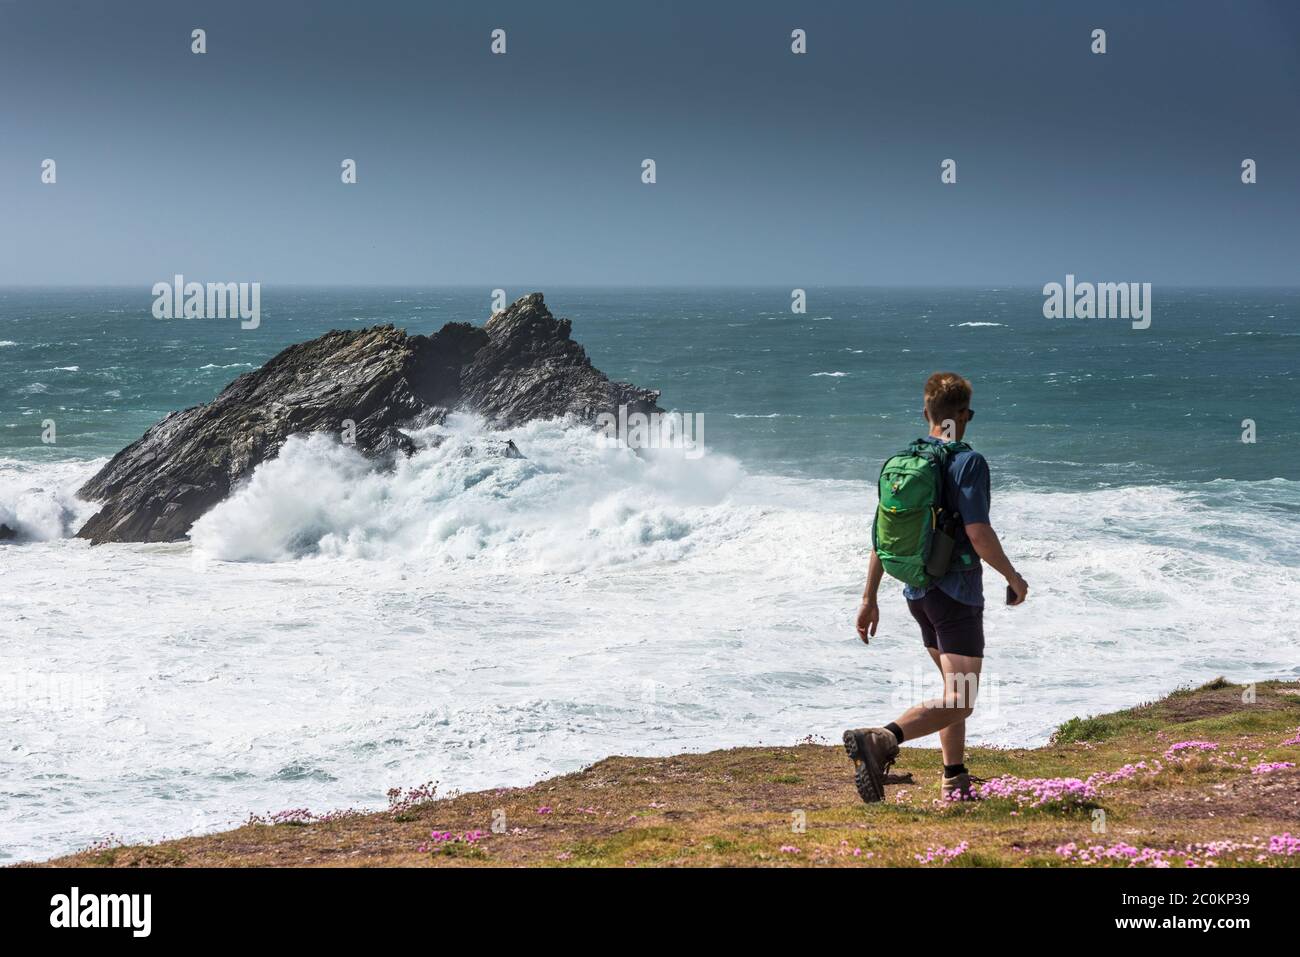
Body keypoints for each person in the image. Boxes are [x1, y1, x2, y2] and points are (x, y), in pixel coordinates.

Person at [843, 371, 1028, 803]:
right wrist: (1013, 578)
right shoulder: (967, 461)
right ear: (965, 415)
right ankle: (882, 739)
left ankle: (955, 778)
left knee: (951, 693)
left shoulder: (903, 463)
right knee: (962, 699)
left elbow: (882, 537)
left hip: (917, 592)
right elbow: (978, 533)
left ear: (925, 412)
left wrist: (869, 599)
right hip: (956, 593)